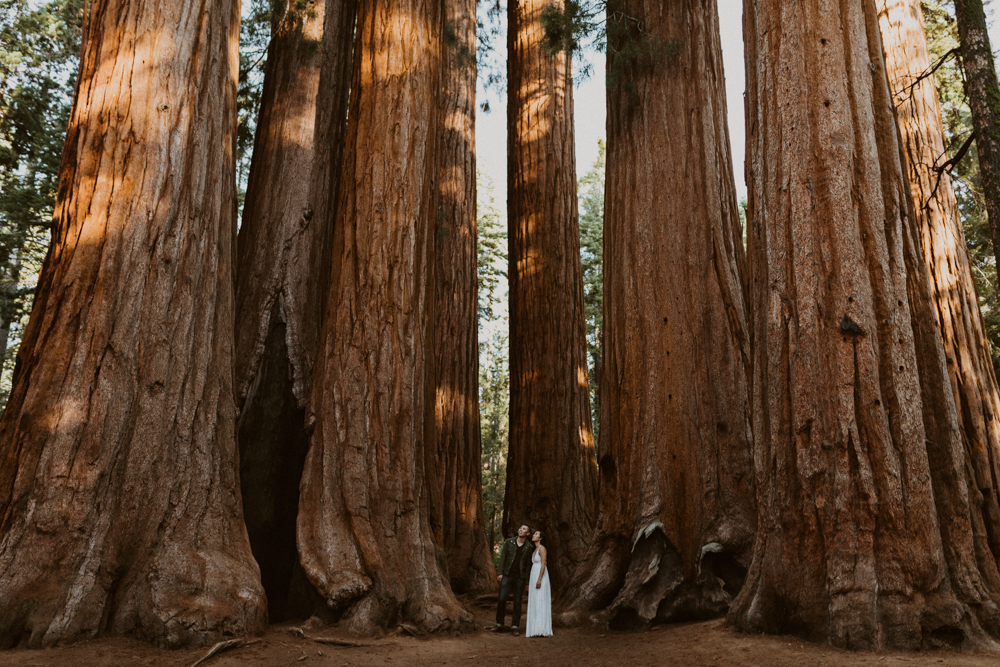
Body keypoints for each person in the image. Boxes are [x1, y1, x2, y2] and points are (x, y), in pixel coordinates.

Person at [492, 524, 533, 636]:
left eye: (524, 529)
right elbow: (503, 557)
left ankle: (515, 626)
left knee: (517, 602)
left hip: (520, 578)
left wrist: (527, 582)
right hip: (507, 575)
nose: (520, 529)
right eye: (520, 528)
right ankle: (499, 624)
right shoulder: (509, 542)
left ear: (528, 534)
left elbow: (528, 565)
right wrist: (500, 573)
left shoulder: (529, 547)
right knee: (502, 599)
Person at [525, 530, 552, 637]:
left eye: (536, 534)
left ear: (540, 538)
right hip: (533, 574)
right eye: (534, 533)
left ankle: (542, 629)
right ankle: (535, 628)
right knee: (535, 600)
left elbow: (543, 564)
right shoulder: (535, 549)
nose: (533, 535)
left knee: (540, 599)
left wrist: (540, 579)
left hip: (540, 575)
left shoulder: (542, 548)